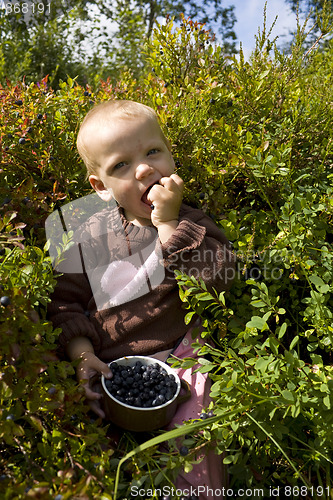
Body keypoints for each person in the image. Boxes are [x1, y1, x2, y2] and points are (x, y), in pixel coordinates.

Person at [47, 100, 235, 498]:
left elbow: (220, 281)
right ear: (100, 187)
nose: (145, 169)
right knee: (86, 437)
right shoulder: (90, 237)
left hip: (179, 355)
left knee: (195, 430)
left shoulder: (191, 223)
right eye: (121, 165)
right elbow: (63, 305)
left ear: (170, 154)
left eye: (153, 152)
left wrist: (168, 225)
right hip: (109, 365)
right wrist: (82, 357)